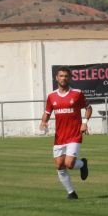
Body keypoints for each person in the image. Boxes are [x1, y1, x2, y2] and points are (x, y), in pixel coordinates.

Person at [40, 66, 92, 199]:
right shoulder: (51, 96)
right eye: (61, 76)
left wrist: (84, 123)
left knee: (69, 164)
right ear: (56, 78)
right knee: (59, 166)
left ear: (70, 78)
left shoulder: (77, 93)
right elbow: (47, 112)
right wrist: (44, 122)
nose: (63, 78)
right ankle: (71, 193)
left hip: (74, 134)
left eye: (66, 76)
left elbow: (88, 108)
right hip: (59, 137)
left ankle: (82, 164)